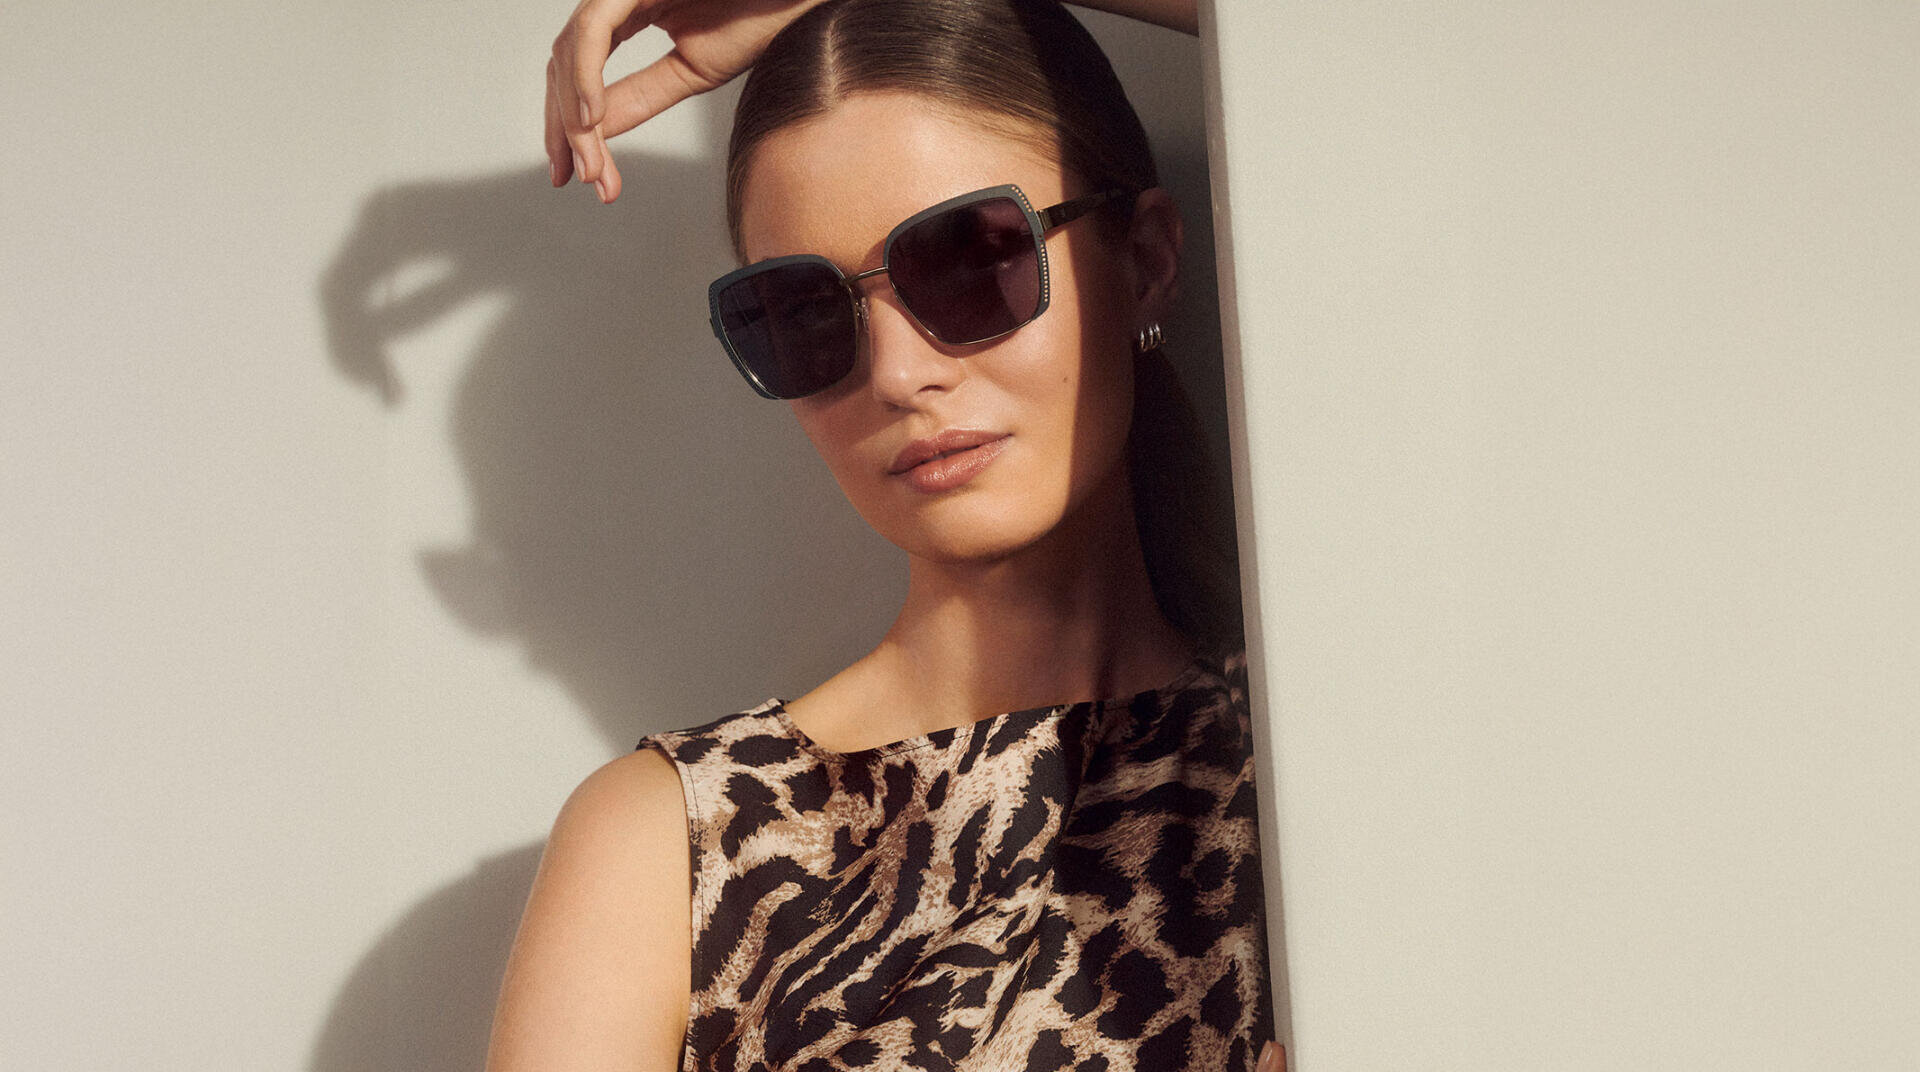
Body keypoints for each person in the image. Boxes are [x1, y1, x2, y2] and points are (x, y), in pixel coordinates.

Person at [488, 0, 1284, 1068]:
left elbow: (1496, 64)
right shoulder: (674, 846)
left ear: (1142, 258)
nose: (899, 375)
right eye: (807, 312)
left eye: (970, 259)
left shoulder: (1316, 753)